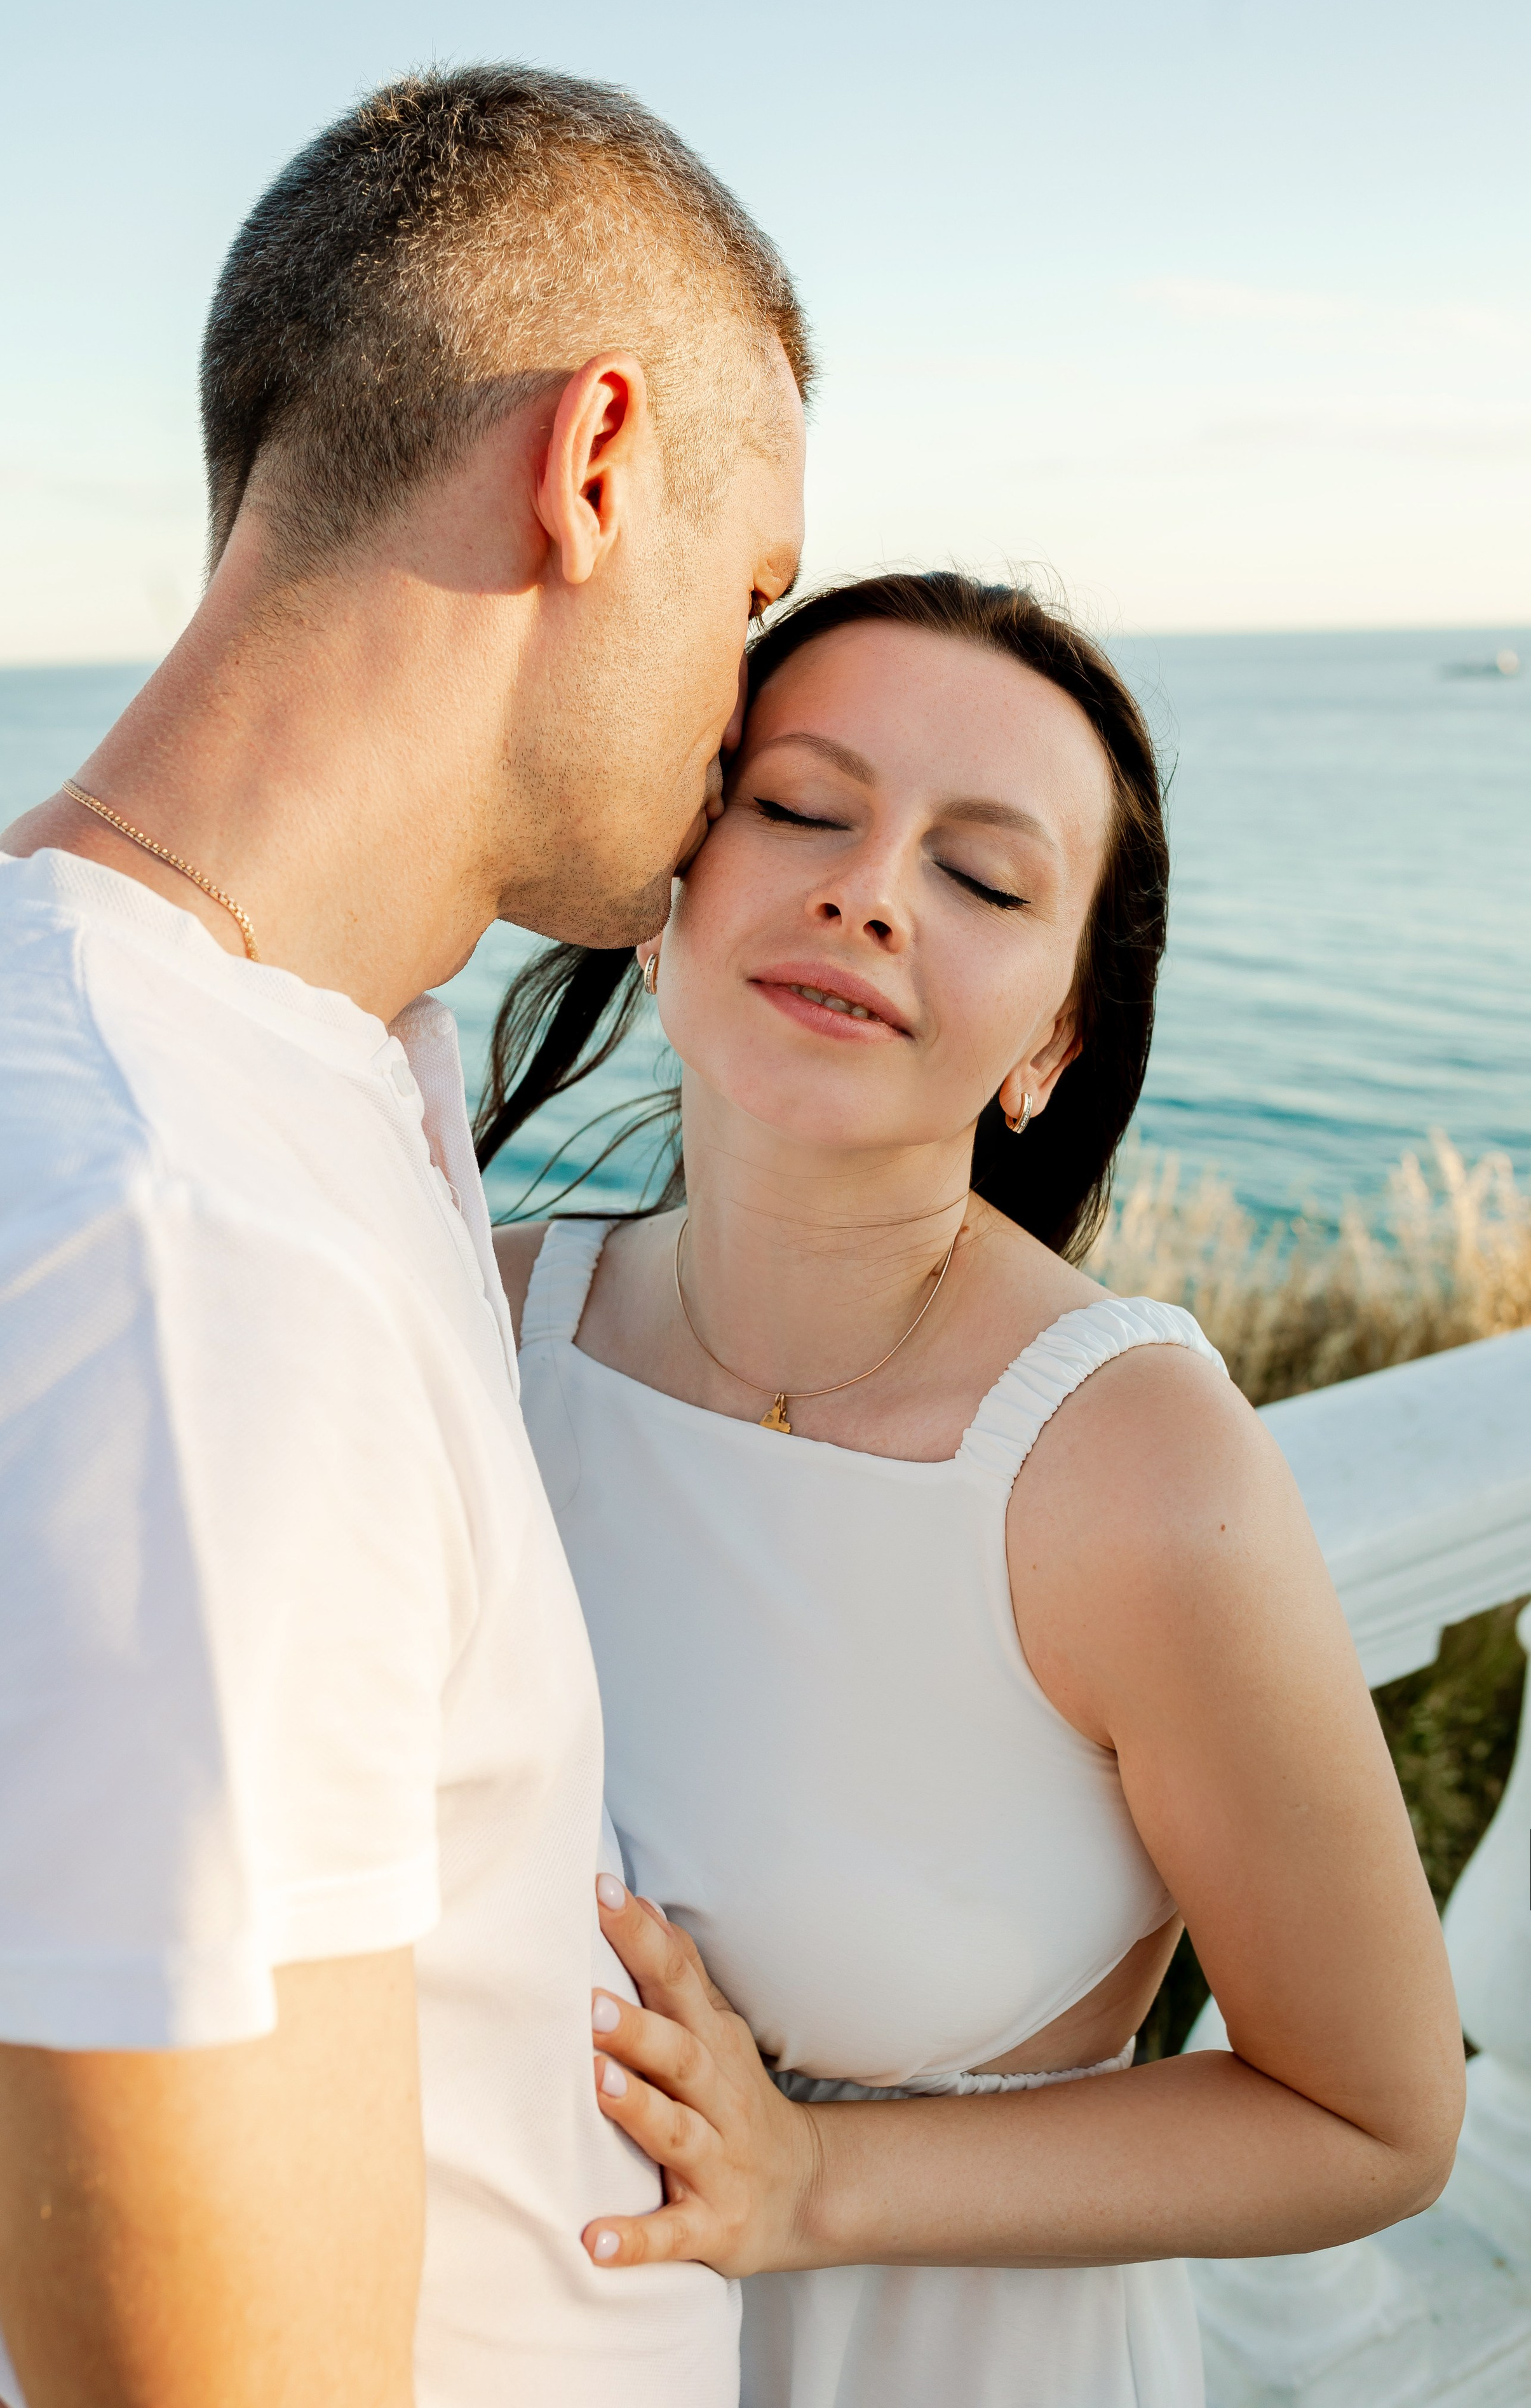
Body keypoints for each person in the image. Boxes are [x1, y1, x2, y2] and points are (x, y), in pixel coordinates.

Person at [0, 65, 806, 2408]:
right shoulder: (181, 1249)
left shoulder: (158, 1043)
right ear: (594, 463)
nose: (747, 712)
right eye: (753, 590)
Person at [487, 574, 1465, 2406]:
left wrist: (814, 2182)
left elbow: (1375, 2115)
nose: (870, 890)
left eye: (986, 878)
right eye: (800, 807)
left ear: (1052, 1045)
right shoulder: (476, 1316)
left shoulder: (1134, 1471)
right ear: (665, 885)